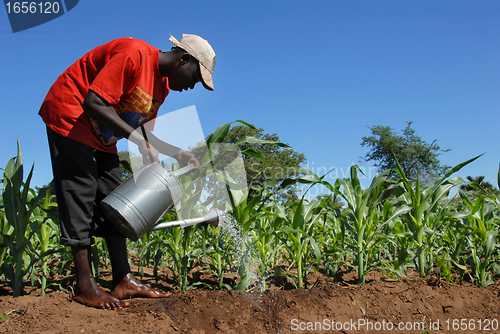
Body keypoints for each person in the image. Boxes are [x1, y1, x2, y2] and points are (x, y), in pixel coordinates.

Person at [39, 34, 216, 310]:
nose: (193, 86)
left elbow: (142, 130)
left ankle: (124, 280)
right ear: (184, 59)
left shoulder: (163, 87)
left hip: (103, 136)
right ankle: (84, 284)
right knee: (80, 195)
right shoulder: (133, 54)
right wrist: (137, 141)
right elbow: (93, 104)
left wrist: (175, 152)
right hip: (72, 116)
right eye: (195, 78)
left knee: (115, 199)